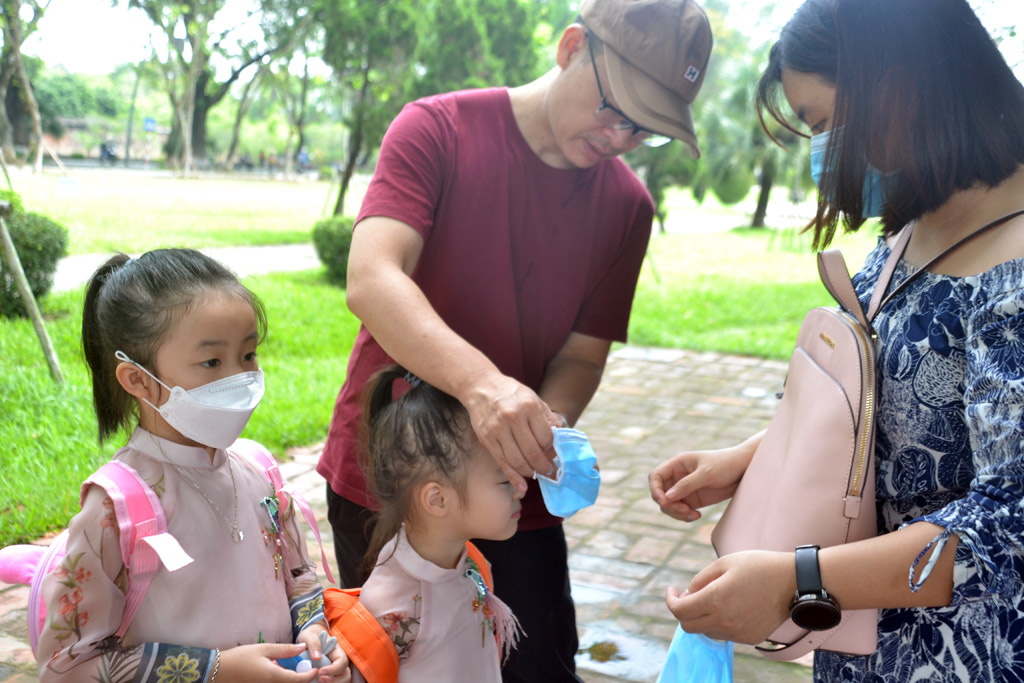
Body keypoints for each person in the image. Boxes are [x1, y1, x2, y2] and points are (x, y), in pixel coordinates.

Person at [315, 0, 712, 679]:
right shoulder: (436, 128)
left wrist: (539, 430)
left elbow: (583, 355)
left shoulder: (626, 207)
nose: (620, 138)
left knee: (536, 661)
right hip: (392, 477)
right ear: (570, 47)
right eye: (615, 109)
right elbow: (373, 277)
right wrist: (482, 386)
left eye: (645, 130)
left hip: (511, 496)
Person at [648, 0, 1024, 679]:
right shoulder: (914, 227)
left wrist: (799, 579)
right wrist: (743, 459)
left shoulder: (1015, 271)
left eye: (824, 123)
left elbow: (1011, 528)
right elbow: (881, 401)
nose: (824, 154)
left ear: (900, 84)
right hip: (863, 647)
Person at [37, 249, 350, 683]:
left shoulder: (260, 471)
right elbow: (69, 665)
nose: (239, 378)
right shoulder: (117, 508)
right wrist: (215, 671)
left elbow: (298, 574)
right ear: (138, 379)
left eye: (248, 355)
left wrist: (314, 628)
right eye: (211, 362)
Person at [353, 365, 523, 682]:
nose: (521, 486)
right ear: (437, 500)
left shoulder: (469, 563)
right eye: (504, 479)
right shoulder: (393, 606)